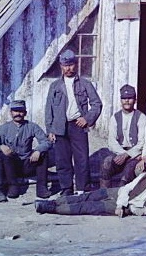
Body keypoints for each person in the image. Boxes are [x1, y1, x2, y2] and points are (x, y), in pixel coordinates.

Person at [44, 49, 102, 197]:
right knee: (62, 160)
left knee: (81, 159)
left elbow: (97, 104)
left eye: (71, 65)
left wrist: (87, 119)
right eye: (65, 65)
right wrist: (50, 129)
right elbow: (48, 108)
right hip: (59, 127)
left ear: (76, 65)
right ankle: (66, 189)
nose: (68, 68)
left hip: (78, 126)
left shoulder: (84, 83)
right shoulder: (55, 86)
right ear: (61, 66)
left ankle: (83, 189)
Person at [35, 155, 146, 216]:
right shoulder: (144, 176)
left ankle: (51, 209)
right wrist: (120, 203)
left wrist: (139, 210)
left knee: (88, 207)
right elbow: (128, 188)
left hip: (128, 207)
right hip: (120, 194)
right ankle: (53, 203)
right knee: (88, 196)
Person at [0, 100, 52, 198]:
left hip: (27, 164)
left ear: (25, 113)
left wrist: (38, 150)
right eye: (15, 111)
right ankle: (13, 187)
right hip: (11, 166)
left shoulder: (32, 126)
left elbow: (46, 142)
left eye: (21, 111)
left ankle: (42, 188)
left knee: (43, 154)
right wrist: (1, 146)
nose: (18, 114)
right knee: (4, 155)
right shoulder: (3, 128)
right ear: (11, 112)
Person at [100, 84, 146, 188]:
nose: (127, 101)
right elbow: (111, 141)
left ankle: (123, 195)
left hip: (135, 154)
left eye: (130, 98)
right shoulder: (115, 117)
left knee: (128, 171)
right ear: (121, 100)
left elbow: (142, 142)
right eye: (124, 98)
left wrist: (127, 155)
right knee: (106, 163)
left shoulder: (141, 117)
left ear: (135, 100)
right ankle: (104, 194)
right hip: (119, 152)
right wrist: (122, 154)